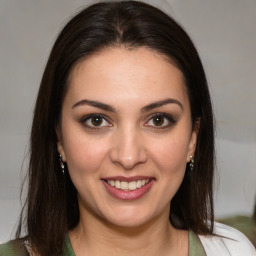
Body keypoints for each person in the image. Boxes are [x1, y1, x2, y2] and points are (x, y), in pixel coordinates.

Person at [0, 1, 255, 255]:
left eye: (158, 120)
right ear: (59, 138)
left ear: (193, 138)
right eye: (97, 120)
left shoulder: (235, 251)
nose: (128, 156)